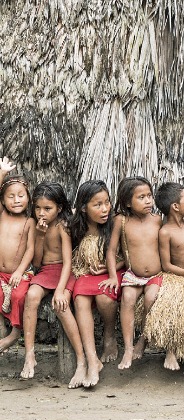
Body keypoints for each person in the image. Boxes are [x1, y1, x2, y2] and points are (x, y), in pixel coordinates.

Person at [20, 181, 87, 388]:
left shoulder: (62, 226)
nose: (41, 213)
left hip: (65, 272)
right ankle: (29, 354)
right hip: (46, 271)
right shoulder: (36, 225)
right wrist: (40, 234)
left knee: (61, 306)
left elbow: (68, 262)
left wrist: (60, 290)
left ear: (59, 208)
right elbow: (38, 262)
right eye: (38, 208)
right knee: (31, 296)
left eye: (47, 209)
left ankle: (81, 360)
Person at [143, 181, 184, 370]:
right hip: (181, 277)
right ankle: (171, 350)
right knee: (174, 305)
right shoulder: (165, 232)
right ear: (176, 207)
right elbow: (167, 265)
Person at [100, 176, 163, 370]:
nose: (148, 201)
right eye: (141, 197)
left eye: (149, 196)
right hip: (133, 275)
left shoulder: (158, 220)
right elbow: (111, 251)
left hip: (155, 274)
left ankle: (143, 340)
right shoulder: (121, 220)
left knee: (150, 299)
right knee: (127, 299)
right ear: (128, 202)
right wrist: (112, 275)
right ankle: (128, 347)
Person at [70, 180, 124, 387]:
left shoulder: (117, 222)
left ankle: (109, 334)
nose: (104, 209)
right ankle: (92, 360)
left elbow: (131, 256)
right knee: (80, 300)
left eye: (107, 202)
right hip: (85, 272)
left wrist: (112, 269)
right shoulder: (76, 226)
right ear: (83, 208)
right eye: (97, 204)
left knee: (104, 297)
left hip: (113, 271)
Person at [0, 157, 35, 353]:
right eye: (10, 196)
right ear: (3, 201)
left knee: (19, 295)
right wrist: (2, 174)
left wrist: (19, 271)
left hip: (19, 274)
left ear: (28, 197)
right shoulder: (1, 215)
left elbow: (30, 249)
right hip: (0, 275)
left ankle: (15, 333)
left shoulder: (29, 222)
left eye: (21, 195)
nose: (16, 200)